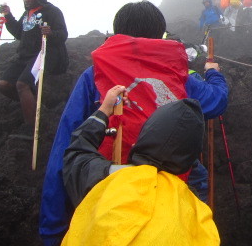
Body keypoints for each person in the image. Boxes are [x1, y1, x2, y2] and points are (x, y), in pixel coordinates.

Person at [40, 0, 229, 246]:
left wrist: (52, 230)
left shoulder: (93, 77)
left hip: (107, 187)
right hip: (171, 187)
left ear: (117, 33)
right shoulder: (178, 76)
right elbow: (216, 101)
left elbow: (64, 150)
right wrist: (213, 73)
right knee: (195, 179)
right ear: (160, 34)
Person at [61, 86, 220, 245]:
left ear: (143, 138)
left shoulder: (108, 180)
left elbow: (76, 154)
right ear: (190, 161)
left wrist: (104, 110)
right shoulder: (200, 217)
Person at [0, 0, 68, 139]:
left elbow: (63, 34)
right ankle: (35, 106)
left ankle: (32, 128)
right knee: (3, 85)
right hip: (24, 55)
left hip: (45, 54)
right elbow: (18, 32)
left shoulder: (52, 11)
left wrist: (50, 33)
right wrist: (8, 15)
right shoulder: (27, 14)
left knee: (22, 84)